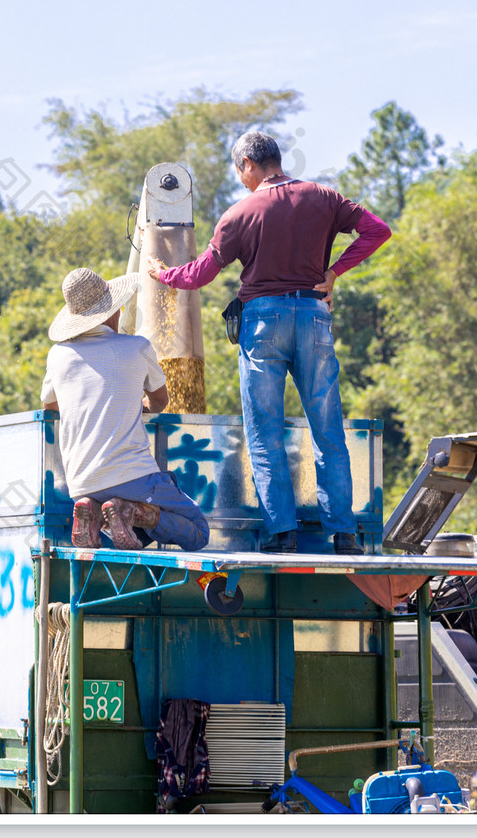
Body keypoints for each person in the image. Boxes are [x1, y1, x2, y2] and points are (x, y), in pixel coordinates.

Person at [148, 131, 391, 555]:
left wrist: (161, 273)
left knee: (264, 431)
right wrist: (334, 272)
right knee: (328, 429)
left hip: (262, 324)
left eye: (239, 172)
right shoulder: (324, 197)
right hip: (314, 318)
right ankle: (345, 535)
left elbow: (199, 274)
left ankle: (282, 534)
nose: (241, 181)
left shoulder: (241, 213)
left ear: (248, 165)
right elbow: (377, 230)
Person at [40, 266, 210, 553]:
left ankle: (91, 511)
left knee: (109, 503)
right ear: (111, 312)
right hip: (133, 476)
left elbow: (50, 404)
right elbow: (160, 401)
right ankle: (135, 512)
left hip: (81, 482)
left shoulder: (58, 356)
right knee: (198, 532)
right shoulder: (137, 347)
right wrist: (139, 405)